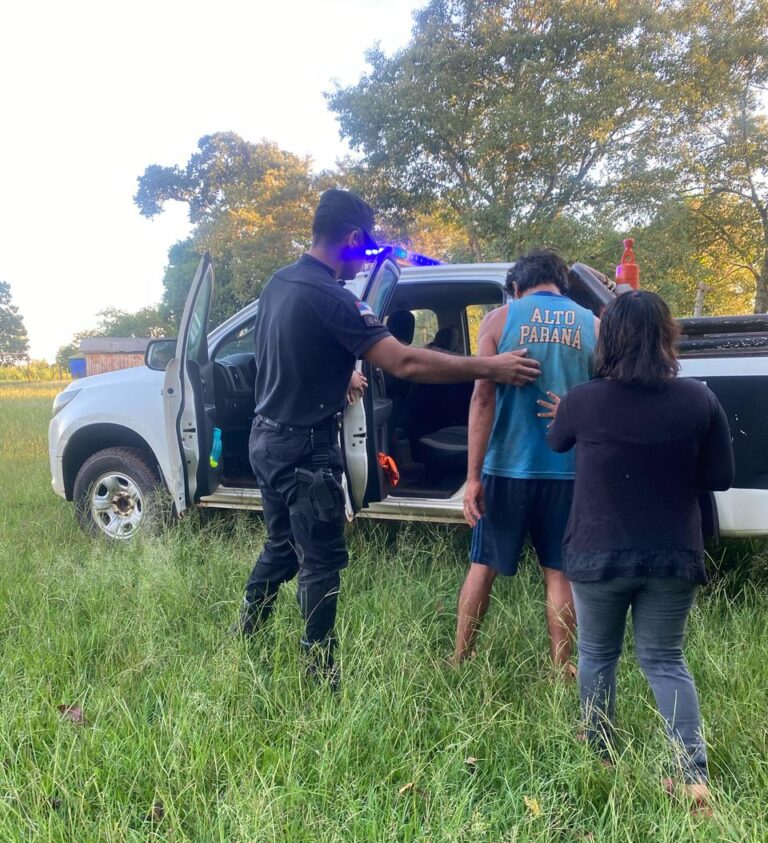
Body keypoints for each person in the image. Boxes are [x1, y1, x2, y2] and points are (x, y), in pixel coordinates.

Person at [236, 189, 542, 688]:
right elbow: (405, 361)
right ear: (353, 238)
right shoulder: (332, 298)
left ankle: (246, 631)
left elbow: (289, 355)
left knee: (281, 545)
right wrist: (492, 366)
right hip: (304, 449)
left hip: (265, 438)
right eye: (366, 246)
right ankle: (319, 676)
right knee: (322, 561)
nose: (364, 259)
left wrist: (340, 379)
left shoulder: (278, 285)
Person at [545, 290, 735, 811]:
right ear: (666, 337)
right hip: (673, 554)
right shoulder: (698, 398)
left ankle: (601, 755)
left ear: (609, 338)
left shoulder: (584, 400)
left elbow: (557, 441)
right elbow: (721, 477)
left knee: (597, 657)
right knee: (665, 660)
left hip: (596, 554)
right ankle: (691, 775)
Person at [453, 248, 598, 671]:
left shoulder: (500, 320)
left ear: (516, 287)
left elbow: (482, 398)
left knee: (483, 566)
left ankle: (461, 659)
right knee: (559, 573)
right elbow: (609, 396)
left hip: (507, 467)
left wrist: (473, 477)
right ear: (561, 284)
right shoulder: (594, 324)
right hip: (568, 469)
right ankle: (562, 668)